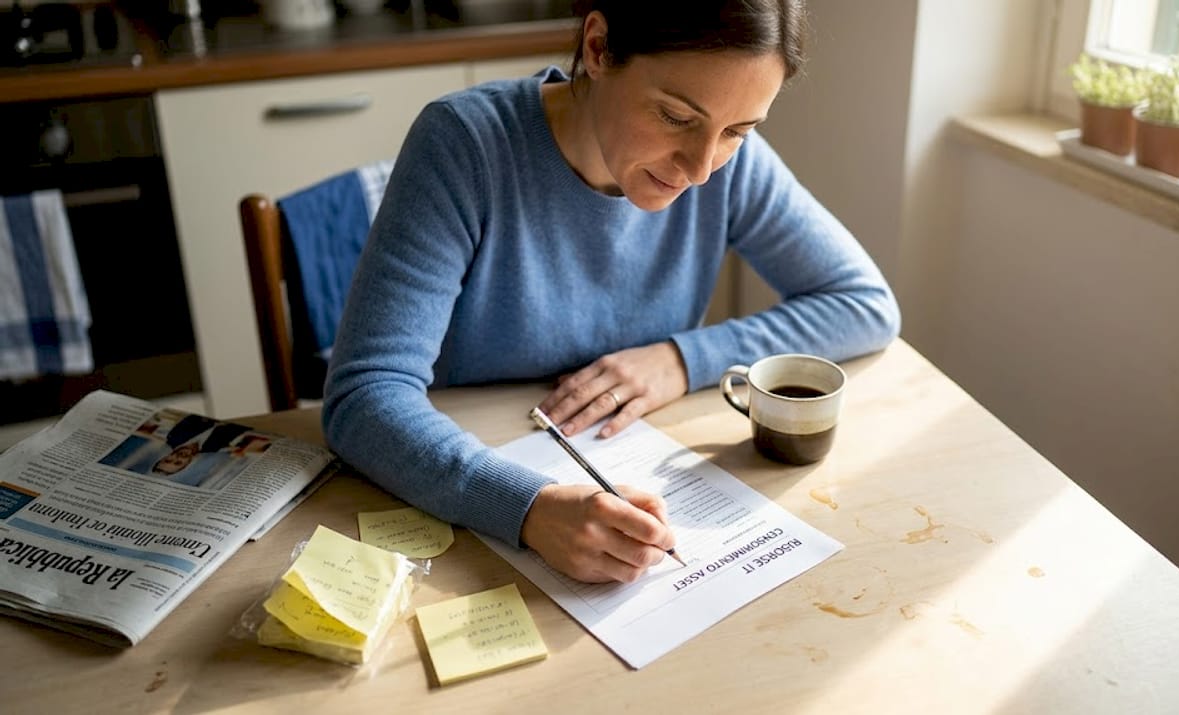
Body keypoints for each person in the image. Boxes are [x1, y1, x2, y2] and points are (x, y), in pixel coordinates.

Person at [323, 0, 900, 584]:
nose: (701, 169)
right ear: (598, 48)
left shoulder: (733, 167)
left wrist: (681, 360)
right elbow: (364, 395)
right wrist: (528, 507)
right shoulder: (465, 144)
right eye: (676, 117)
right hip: (459, 523)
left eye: (737, 131)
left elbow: (864, 304)